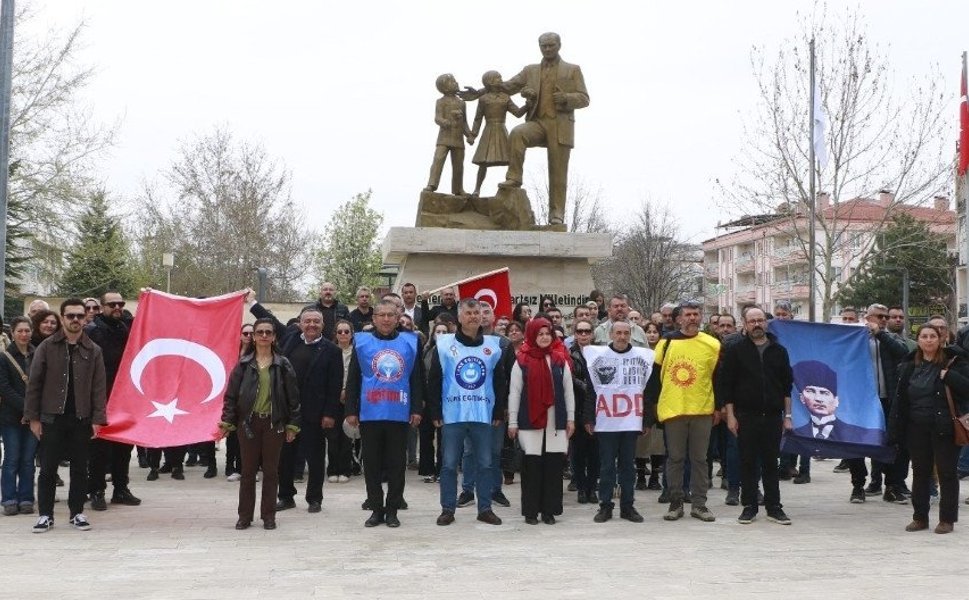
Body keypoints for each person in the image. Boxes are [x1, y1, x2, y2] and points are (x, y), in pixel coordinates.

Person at [248, 296, 344, 513]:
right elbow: (268, 319)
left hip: (316, 413)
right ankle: (286, 496)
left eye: (316, 321)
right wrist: (252, 302)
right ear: (300, 323)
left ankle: (314, 499)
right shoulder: (290, 339)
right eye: (307, 321)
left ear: (323, 325)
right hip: (287, 411)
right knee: (285, 457)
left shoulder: (332, 351)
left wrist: (330, 413)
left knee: (316, 458)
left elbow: (334, 385)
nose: (311, 325)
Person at [25, 299, 107, 533]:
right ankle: (45, 515)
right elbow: (34, 384)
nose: (75, 320)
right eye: (70, 315)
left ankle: (77, 513)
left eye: (79, 316)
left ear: (85, 318)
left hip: (81, 418)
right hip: (52, 417)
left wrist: (97, 419)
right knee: (48, 468)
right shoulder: (47, 347)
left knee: (80, 468)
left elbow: (99, 388)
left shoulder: (93, 350)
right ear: (62, 317)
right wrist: (33, 417)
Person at [491, 32, 589, 226]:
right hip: (538, 122)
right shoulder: (530, 71)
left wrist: (567, 99)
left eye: (551, 45)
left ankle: (556, 213)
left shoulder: (572, 70)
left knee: (558, 171)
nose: (547, 49)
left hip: (560, 126)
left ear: (559, 45)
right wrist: (483, 89)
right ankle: (514, 177)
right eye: (544, 46)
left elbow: (584, 99)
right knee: (518, 133)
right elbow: (508, 86)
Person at [345, 300, 425, 528]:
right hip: (370, 413)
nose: (387, 319)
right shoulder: (361, 342)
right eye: (382, 315)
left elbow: (417, 378)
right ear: (374, 318)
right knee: (371, 464)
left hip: (399, 413)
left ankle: (392, 510)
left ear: (398, 317)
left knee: (396, 464)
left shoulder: (410, 342)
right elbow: (353, 379)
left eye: (391, 315)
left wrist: (417, 408)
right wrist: (351, 409)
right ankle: (376, 509)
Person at [427, 298, 507, 526]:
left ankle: (485, 508)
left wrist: (499, 411)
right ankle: (447, 509)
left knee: (485, 463)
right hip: (452, 414)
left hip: (483, 413)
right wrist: (435, 412)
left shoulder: (493, 345)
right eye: (469, 312)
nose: (474, 316)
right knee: (449, 463)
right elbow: (434, 380)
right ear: (459, 317)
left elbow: (500, 381)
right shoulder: (443, 345)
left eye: (477, 313)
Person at [219, 318, 300, 530]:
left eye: (268, 332)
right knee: (248, 472)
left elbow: (293, 399)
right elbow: (231, 396)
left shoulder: (283, 364)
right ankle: (244, 516)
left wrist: (292, 425)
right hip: (248, 424)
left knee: (272, 472)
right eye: (260, 332)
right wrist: (227, 422)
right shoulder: (243, 365)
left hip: (274, 424)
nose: (264, 336)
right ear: (253, 337)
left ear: (274, 337)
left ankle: (269, 516)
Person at [889, 324, 969, 534]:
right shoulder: (908, 365)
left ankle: (947, 519)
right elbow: (900, 399)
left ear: (940, 339)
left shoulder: (954, 362)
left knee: (947, 473)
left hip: (945, 427)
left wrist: (949, 376)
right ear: (918, 340)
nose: (928, 340)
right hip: (916, 427)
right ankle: (920, 517)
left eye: (933, 336)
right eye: (924, 336)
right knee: (920, 473)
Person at [718, 307, 793, 525]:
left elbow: (787, 387)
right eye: (752, 321)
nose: (757, 324)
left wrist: (787, 416)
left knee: (771, 462)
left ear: (766, 323)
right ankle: (749, 506)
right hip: (745, 415)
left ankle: (774, 507)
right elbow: (727, 386)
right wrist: (730, 416)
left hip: (772, 415)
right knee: (748, 462)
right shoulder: (736, 350)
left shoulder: (779, 351)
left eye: (760, 320)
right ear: (745, 324)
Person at [647, 300, 721, 523]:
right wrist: (653, 409)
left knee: (700, 459)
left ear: (701, 317)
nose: (692, 318)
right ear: (679, 318)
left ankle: (699, 504)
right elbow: (654, 380)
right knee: (675, 459)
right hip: (673, 409)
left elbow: (718, 379)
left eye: (696, 314)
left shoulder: (712, 344)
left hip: (702, 409)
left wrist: (718, 408)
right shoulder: (666, 343)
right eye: (688, 314)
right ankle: (675, 502)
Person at [583, 321, 653, 523]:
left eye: (625, 333)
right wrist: (589, 417)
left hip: (631, 422)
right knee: (606, 466)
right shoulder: (598, 358)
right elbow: (592, 390)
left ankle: (627, 506)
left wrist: (646, 420)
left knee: (627, 466)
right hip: (607, 422)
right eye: (618, 333)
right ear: (611, 335)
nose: (622, 337)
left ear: (630, 335)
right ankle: (605, 506)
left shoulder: (642, 358)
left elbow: (646, 392)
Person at [508, 318, 575, 524]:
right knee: (532, 467)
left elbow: (568, 391)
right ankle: (531, 511)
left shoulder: (559, 359)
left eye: (548, 334)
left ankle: (549, 510)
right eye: (540, 334)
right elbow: (515, 392)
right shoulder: (522, 360)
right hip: (530, 420)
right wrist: (512, 422)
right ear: (532, 336)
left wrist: (571, 418)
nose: (545, 337)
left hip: (556, 420)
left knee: (553, 467)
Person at [846, 303, 910, 504]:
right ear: (867, 317)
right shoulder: (855, 338)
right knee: (856, 443)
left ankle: (891, 486)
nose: (883, 320)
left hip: (886, 399)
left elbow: (902, 352)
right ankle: (858, 485)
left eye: (885, 317)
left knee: (891, 443)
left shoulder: (889, 338)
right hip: (860, 401)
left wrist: (881, 334)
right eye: (878, 316)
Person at [85, 291, 141, 511]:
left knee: (124, 448)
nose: (117, 307)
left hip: (126, 398)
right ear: (102, 307)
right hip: (101, 398)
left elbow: (149, 319)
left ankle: (121, 488)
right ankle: (96, 490)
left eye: (121, 303)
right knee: (99, 449)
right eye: (112, 304)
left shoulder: (127, 327)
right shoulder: (91, 331)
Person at [790, 360, 884, 444]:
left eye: (824, 393)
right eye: (811, 391)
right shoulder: (797, 432)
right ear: (802, 398)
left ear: (836, 400)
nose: (818, 398)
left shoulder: (859, 433)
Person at [468, 70, 528, 197]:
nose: (501, 79)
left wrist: (528, 105)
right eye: (497, 78)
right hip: (488, 131)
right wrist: (473, 135)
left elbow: (517, 113)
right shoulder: (483, 99)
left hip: (502, 130)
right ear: (489, 82)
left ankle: (512, 183)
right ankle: (477, 189)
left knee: (511, 159)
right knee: (483, 162)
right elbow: (477, 119)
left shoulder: (505, 97)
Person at [0, 317, 36, 515]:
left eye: (27, 331)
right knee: (12, 458)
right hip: (10, 417)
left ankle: (26, 497)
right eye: (20, 331)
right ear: (12, 333)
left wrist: (32, 412)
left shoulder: (37, 354)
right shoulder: (4, 357)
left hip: (32, 417)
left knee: (28, 460)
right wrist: (25, 409)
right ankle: (9, 498)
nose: (24, 335)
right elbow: (4, 388)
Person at [424, 73, 473, 195]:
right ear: (445, 88)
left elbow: (465, 123)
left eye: (455, 81)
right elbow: (437, 118)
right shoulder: (441, 102)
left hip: (458, 139)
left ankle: (458, 189)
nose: (456, 83)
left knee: (458, 166)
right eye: (452, 82)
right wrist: (444, 122)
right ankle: (432, 184)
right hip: (444, 138)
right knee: (438, 160)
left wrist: (469, 135)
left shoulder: (462, 103)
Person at [419, 322, 451, 483]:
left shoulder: (453, 352)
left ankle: (441, 470)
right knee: (426, 435)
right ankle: (428, 470)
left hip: (446, 399)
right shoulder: (426, 351)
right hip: (427, 398)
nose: (441, 334)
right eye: (438, 331)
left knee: (443, 437)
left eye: (444, 331)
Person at [331, 319, 356, 483]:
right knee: (333, 436)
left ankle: (345, 469)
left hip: (351, 397)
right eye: (340, 332)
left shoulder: (357, 352)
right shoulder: (330, 351)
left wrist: (348, 391)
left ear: (352, 334)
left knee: (347, 435)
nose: (343, 334)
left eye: (346, 331)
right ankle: (332, 469)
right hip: (333, 397)